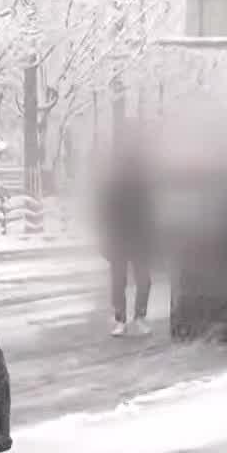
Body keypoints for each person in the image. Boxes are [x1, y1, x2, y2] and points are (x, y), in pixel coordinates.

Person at [98, 139, 157, 337]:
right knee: (121, 281)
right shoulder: (115, 185)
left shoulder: (143, 185)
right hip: (121, 239)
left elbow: (150, 213)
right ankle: (124, 319)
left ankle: (134, 318)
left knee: (140, 280)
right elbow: (106, 214)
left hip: (137, 239)